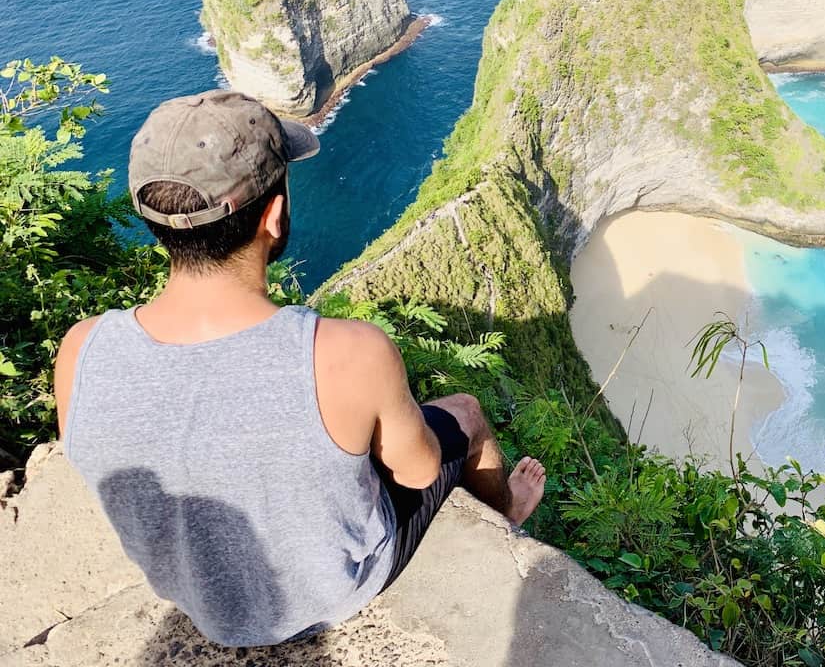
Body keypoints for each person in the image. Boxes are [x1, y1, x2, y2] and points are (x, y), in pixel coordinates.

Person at [52, 89, 545, 647]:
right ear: (275, 215)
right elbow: (420, 473)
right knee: (466, 414)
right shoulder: (346, 350)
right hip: (333, 593)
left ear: (152, 220)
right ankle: (508, 511)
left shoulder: (81, 349)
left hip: (196, 602)